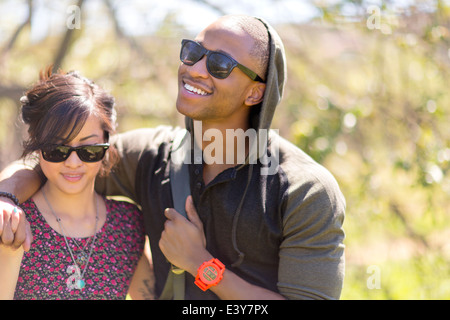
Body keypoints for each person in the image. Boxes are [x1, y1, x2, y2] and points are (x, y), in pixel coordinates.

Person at [0, 15, 345, 300]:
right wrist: (7, 197)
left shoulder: (304, 190)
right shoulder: (152, 155)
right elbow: (57, 160)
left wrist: (202, 265)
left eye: (220, 64)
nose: (195, 69)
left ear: (255, 91)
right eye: (192, 51)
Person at [0, 68, 154, 300]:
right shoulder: (14, 221)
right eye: (57, 149)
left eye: (89, 150)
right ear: (37, 146)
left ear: (106, 143)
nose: (73, 163)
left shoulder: (128, 223)